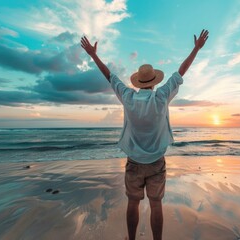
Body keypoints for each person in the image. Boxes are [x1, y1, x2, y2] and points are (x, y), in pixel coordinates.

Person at [81, 29, 209, 240]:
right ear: (154, 81)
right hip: (157, 162)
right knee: (156, 204)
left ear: (138, 82)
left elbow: (109, 76)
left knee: (133, 203)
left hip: (134, 161)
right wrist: (196, 49)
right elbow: (180, 72)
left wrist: (93, 55)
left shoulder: (128, 97)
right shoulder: (161, 97)